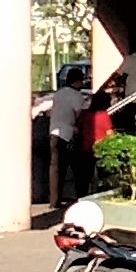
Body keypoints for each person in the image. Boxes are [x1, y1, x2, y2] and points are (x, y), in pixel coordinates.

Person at [43, 61, 92, 206]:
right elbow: (79, 114)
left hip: (54, 131)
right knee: (77, 168)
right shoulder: (76, 96)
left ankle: (54, 200)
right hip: (68, 134)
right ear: (77, 81)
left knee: (56, 168)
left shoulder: (59, 94)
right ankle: (81, 197)